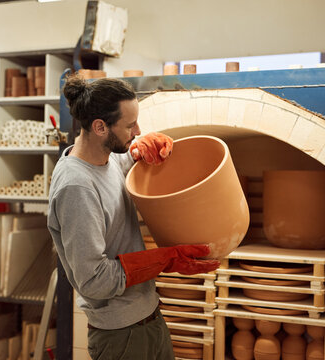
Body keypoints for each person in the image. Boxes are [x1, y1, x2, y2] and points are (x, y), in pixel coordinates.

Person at [47, 73, 220, 360]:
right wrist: (165, 259)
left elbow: (125, 161)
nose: (137, 129)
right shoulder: (76, 188)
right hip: (120, 336)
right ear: (100, 126)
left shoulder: (107, 156)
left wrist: (143, 149)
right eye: (130, 126)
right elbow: (94, 280)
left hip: (149, 316)